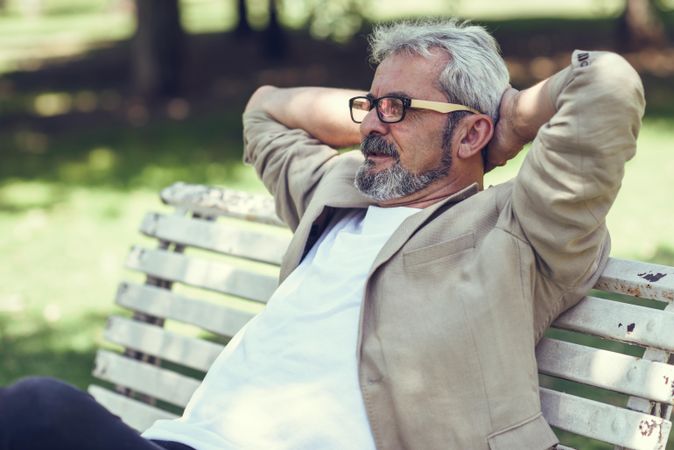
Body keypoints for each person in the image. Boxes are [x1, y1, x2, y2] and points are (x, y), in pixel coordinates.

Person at [0, 19, 644, 450]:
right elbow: (266, 109)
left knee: (36, 411)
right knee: (32, 415)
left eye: (397, 110)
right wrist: (389, 107)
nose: (370, 127)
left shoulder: (519, 234)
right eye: (368, 106)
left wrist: (506, 122)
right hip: (188, 443)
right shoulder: (339, 194)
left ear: (473, 132)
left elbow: (606, 86)